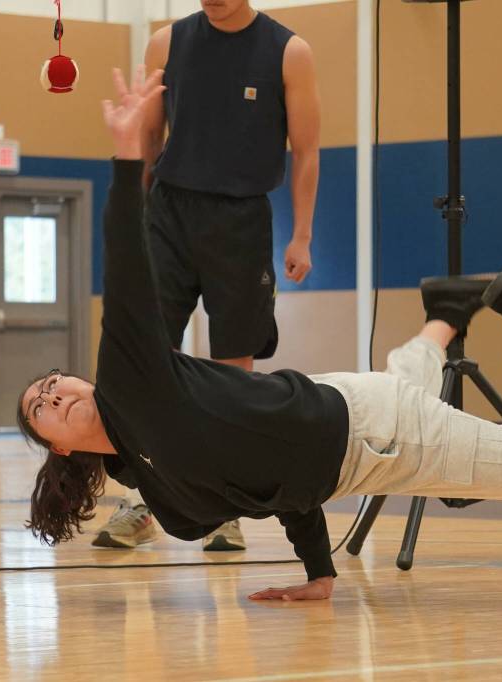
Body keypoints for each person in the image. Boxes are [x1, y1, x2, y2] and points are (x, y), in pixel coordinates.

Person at [15, 68, 502, 601]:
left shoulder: (131, 383)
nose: (54, 394)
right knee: (400, 388)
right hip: (345, 423)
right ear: (58, 447)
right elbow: (271, 478)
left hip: (367, 437)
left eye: (51, 383)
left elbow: (126, 274)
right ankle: (443, 316)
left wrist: (125, 157)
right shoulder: (157, 490)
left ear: (81, 381)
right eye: (41, 407)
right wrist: (318, 571)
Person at [93, 0, 322, 552]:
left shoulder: (289, 52)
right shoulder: (165, 43)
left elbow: (307, 151)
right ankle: (143, 499)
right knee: (146, 357)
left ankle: (227, 505)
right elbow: (148, 138)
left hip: (241, 219)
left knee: (234, 371)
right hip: (168, 211)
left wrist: (302, 236)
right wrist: (137, 211)